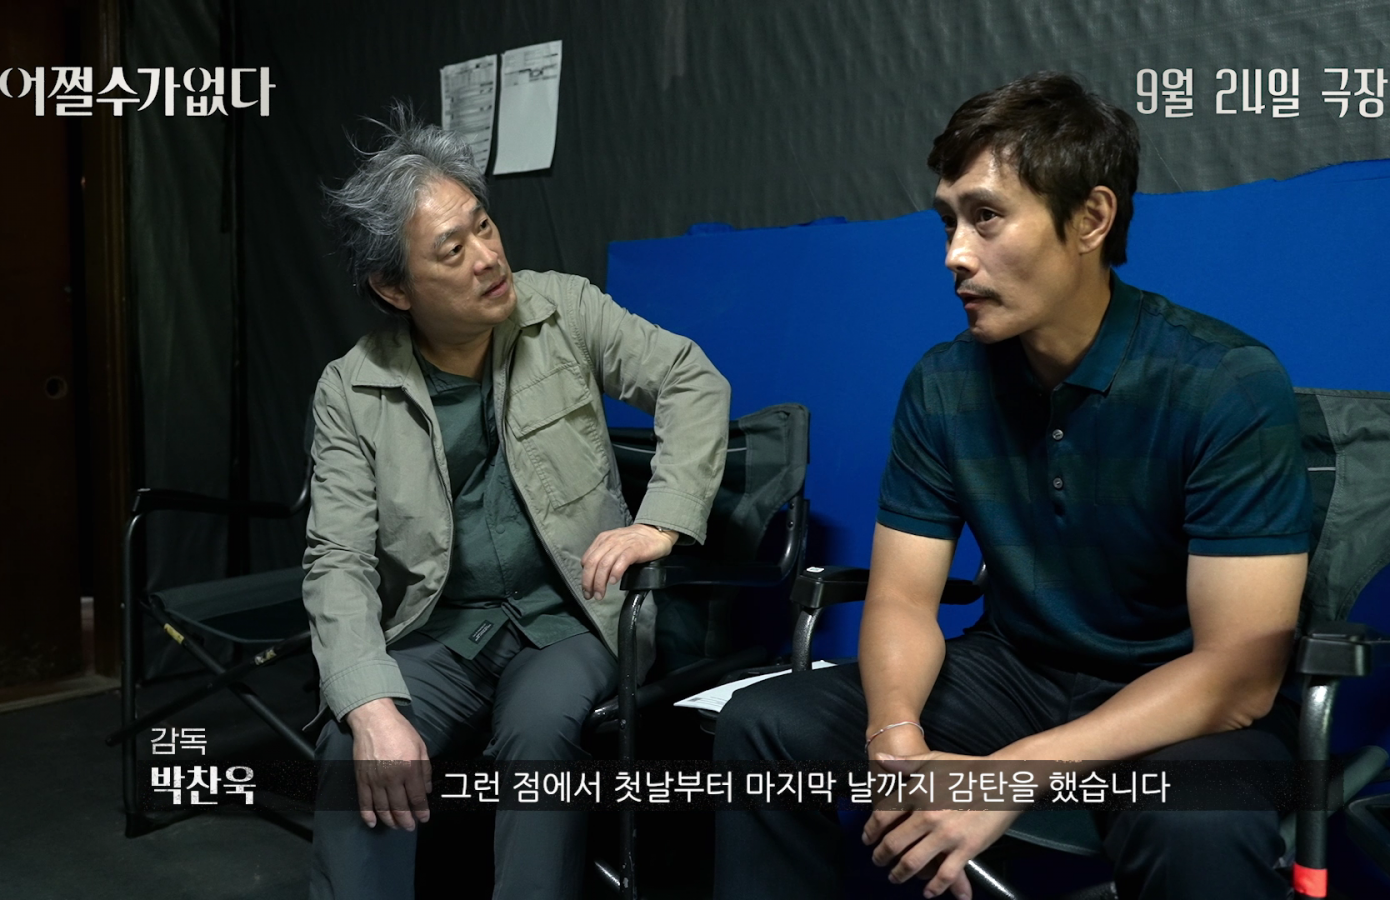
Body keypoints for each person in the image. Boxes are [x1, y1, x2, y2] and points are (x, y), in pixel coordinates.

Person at [714, 72, 1312, 900]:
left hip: (1178, 697)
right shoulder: (943, 384)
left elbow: (1238, 676)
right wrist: (894, 738)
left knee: (1197, 819)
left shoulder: (1225, 383)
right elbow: (902, 601)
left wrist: (1009, 775)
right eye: (948, 220)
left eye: (987, 217)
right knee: (766, 727)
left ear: (1091, 219)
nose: (955, 254)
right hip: (1017, 673)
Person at [304, 107, 731, 900]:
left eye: (484, 225)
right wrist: (370, 706)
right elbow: (338, 561)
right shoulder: (351, 389)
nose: (488, 257)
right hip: (439, 633)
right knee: (351, 749)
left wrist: (660, 520)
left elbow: (689, 379)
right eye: (452, 249)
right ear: (394, 288)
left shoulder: (561, 309)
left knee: (540, 733)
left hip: (570, 617)